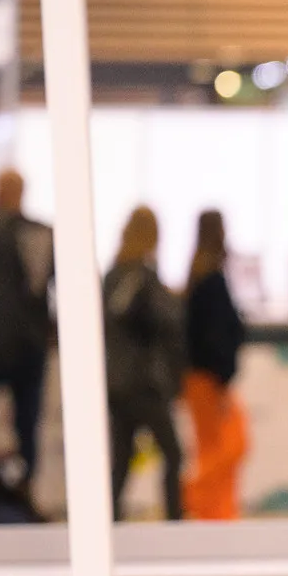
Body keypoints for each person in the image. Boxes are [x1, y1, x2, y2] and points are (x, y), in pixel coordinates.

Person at [0, 168, 53, 495]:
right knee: (26, 430)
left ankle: (6, 494)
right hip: (25, 347)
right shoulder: (39, 232)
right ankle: (21, 492)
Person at [104, 205, 185, 520]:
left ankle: (109, 522)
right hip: (143, 384)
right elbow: (163, 323)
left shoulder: (113, 275)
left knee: (121, 459)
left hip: (116, 381)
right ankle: (174, 518)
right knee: (173, 453)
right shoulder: (143, 277)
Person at [180, 209, 248, 520]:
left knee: (216, 447)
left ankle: (216, 509)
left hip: (202, 377)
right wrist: (223, 377)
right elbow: (216, 335)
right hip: (210, 379)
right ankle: (205, 503)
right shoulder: (211, 280)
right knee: (227, 445)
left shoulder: (198, 275)